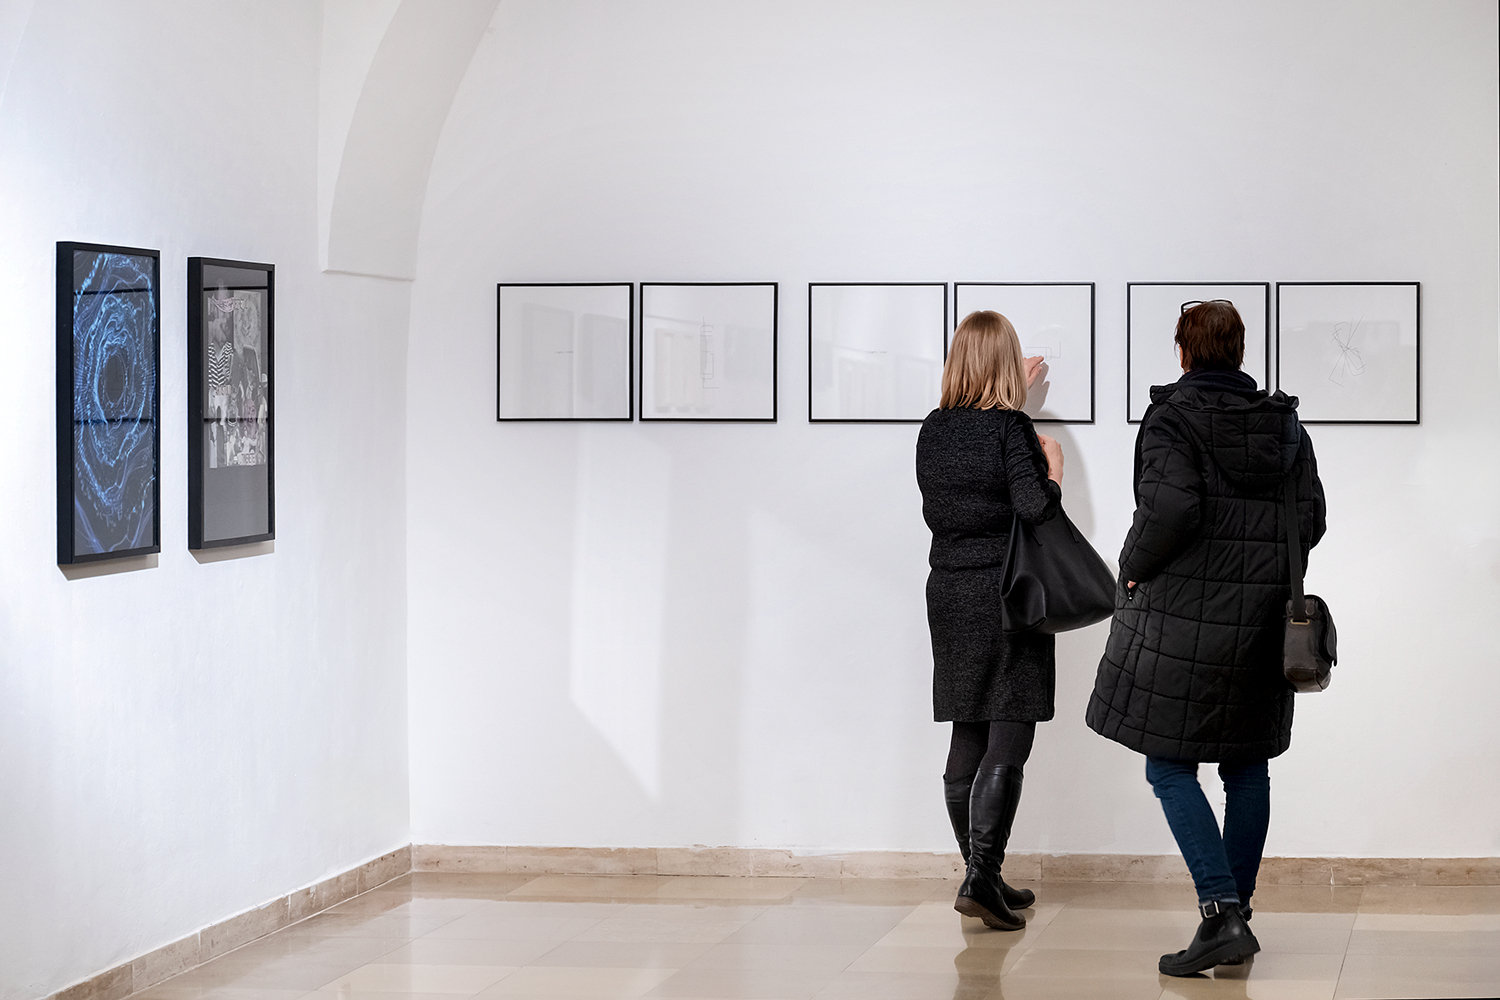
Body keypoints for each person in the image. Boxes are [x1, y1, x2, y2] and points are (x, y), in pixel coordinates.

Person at [1086, 300, 1326, 975]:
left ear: (1183, 352)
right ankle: (1236, 915)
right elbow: (1311, 518)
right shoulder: (1285, 425)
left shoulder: (1174, 417)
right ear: (1240, 351)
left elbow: (1171, 507)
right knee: (1247, 767)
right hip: (1261, 622)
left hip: (1181, 620)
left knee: (1169, 766)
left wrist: (1132, 567)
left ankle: (1221, 914)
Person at [916, 310, 1062, 931]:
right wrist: (1053, 470)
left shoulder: (932, 429)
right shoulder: (1010, 429)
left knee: (967, 727)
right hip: (1007, 592)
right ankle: (982, 874)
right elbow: (1034, 508)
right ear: (1006, 364)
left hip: (949, 591)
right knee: (1010, 724)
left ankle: (984, 875)